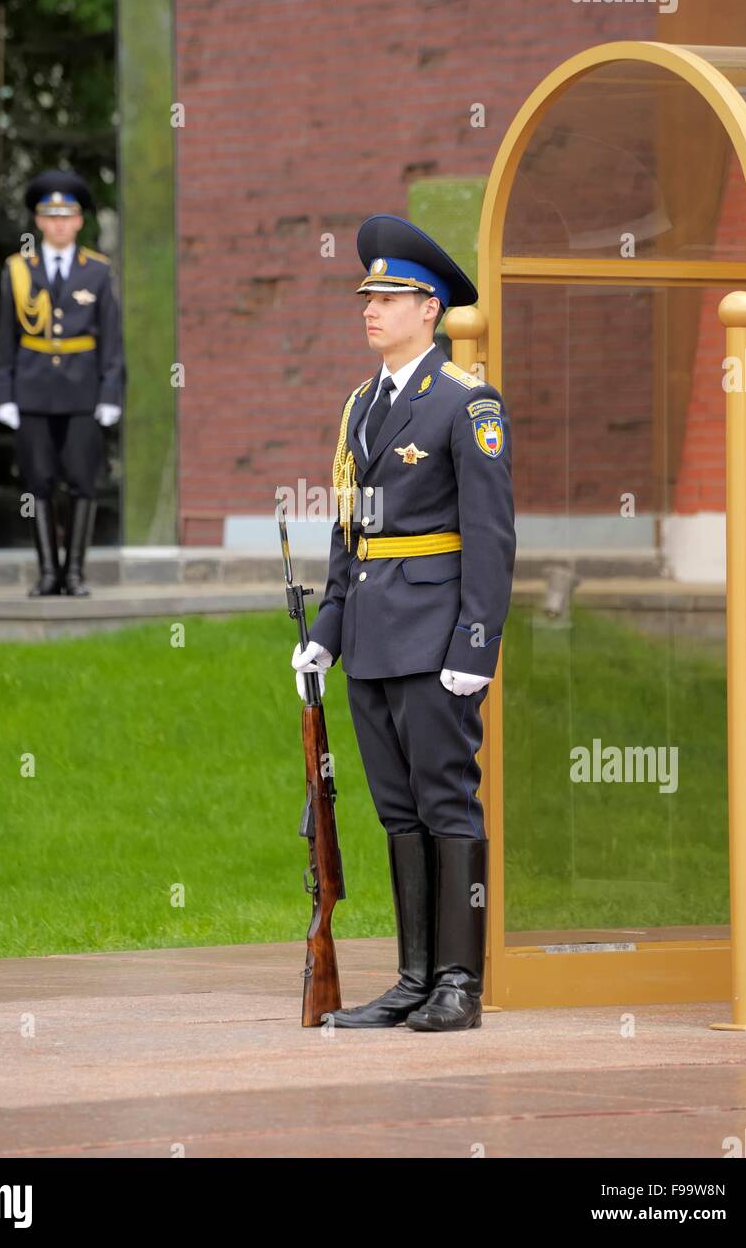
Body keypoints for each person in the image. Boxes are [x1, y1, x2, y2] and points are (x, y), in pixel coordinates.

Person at [291, 214, 516, 1032]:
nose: (370, 307)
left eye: (388, 295)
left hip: (436, 634)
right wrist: (327, 629)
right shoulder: (361, 405)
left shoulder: (466, 401)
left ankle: (458, 982)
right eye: (367, 295)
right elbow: (351, 533)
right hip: (376, 639)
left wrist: (477, 644)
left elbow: (490, 537)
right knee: (396, 809)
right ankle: (414, 978)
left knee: (447, 803)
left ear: (430, 308)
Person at [0, 170, 125, 596]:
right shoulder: (17, 270)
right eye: (50, 216)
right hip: (32, 390)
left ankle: (75, 574)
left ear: (79, 221)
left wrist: (109, 392)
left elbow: (111, 338)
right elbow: (5, 338)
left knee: (83, 482)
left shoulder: (98, 272)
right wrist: (5, 392)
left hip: (83, 391)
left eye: (67, 215)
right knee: (39, 482)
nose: (59, 224)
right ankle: (48, 573)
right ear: (38, 221)